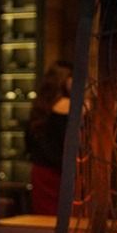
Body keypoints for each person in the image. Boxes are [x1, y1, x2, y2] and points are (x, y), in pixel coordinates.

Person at [25, 60, 73, 215]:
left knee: (44, 220)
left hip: (41, 172)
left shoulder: (40, 107)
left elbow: (29, 142)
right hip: (62, 174)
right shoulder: (68, 107)